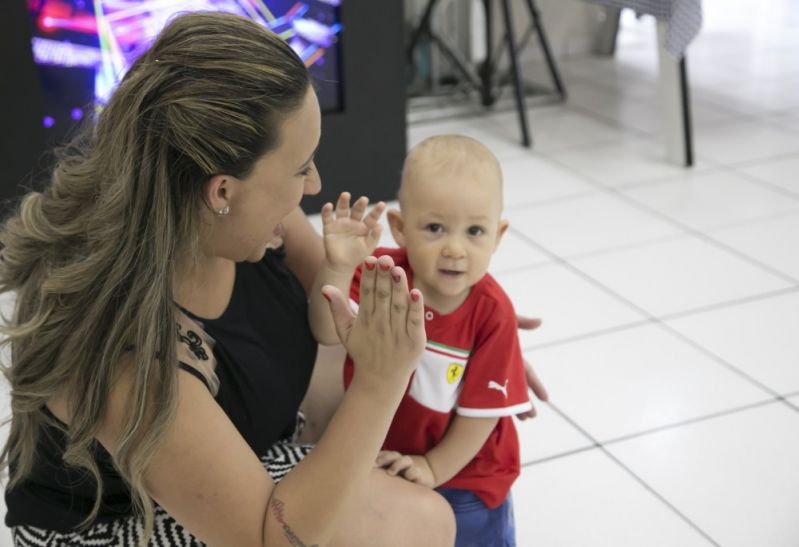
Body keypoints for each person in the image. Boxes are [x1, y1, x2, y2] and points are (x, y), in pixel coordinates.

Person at [0, 12, 457, 546]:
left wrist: (468, 317)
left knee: (354, 346)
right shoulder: (125, 355)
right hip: (114, 522)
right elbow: (268, 540)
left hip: (242, 442)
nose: (314, 183)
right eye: (300, 167)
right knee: (421, 521)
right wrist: (381, 386)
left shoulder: (239, 211)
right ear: (220, 192)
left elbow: (346, 302)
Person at [309, 135, 530, 546]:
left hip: (467, 474)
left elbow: (481, 417)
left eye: (475, 231)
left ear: (498, 236)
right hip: (387, 453)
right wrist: (338, 267)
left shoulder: (492, 314)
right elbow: (325, 329)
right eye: (434, 228)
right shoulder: (384, 274)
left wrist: (433, 467)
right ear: (400, 227)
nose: (454, 249)